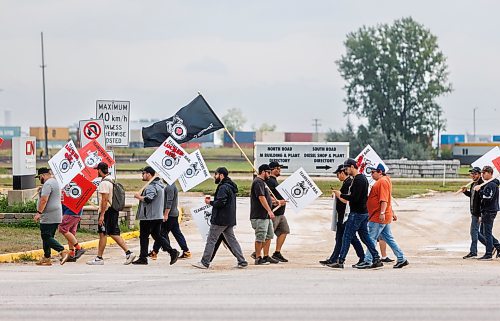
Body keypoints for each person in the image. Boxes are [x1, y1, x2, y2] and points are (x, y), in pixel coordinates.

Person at [328, 159, 382, 269]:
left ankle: (341, 261)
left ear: (352, 167)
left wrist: (341, 195)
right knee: (365, 237)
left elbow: (354, 198)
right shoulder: (361, 178)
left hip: (357, 213)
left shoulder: (358, 180)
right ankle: (376, 258)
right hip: (363, 213)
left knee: (346, 237)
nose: (346, 170)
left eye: (347, 168)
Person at [192, 167, 248, 269]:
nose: (215, 176)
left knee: (211, 240)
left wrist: (210, 202)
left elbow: (221, 202)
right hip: (229, 219)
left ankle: (204, 262)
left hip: (220, 220)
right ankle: (242, 261)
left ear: (221, 175)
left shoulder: (223, 187)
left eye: (216, 174)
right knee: (232, 241)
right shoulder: (231, 186)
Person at [354, 164, 408, 269]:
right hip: (383, 215)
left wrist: (382, 213)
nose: (371, 175)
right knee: (388, 238)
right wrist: (391, 212)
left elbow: (384, 200)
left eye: (373, 172)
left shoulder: (382, 182)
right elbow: (387, 198)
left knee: (371, 239)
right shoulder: (385, 180)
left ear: (380, 172)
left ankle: (368, 261)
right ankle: (401, 258)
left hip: (378, 217)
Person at [87, 162, 135, 265]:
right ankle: (128, 253)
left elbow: (104, 200)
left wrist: (102, 215)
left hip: (107, 211)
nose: (97, 172)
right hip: (113, 211)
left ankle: (99, 258)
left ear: (100, 170)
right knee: (112, 233)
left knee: (103, 233)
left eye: (97, 170)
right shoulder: (111, 180)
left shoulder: (104, 183)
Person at [132, 166, 179, 265]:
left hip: (149, 216)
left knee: (144, 236)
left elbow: (149, 199)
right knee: (157, 236)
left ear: (149, 174)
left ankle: (143, 258)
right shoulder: (160, 185)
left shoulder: (151, 186)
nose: (142, 175)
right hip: (157, 216)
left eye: (143, 173)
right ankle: (172, 252)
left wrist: (138, 197)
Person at [320, 164, 365, 266]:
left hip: (346, 216)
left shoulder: (349, 183)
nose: (337, 177)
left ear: (341, 172)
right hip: (342, 216)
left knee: (351, 238)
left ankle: (362, 257)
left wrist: (338, 194)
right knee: (340, 238)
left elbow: (346, 200)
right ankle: (334, 258)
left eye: (337, 174)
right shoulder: (346, 183)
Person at [34, 167, 69, 266]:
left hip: (49, 215)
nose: (39, 180)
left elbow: (44, 200)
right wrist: (42, 190)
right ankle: (47, 257)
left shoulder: (48, 183)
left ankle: (62, 251)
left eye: (39, 177)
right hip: (55, 214)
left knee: (45, 236)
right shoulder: (54, 182)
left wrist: (39, 213)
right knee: (48, 237)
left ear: (43, 176)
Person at [460, 167, 498, 259]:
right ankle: (494, 246)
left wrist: (480, 213)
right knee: (482, 232)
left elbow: (485, 198)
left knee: (479, 232)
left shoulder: (483, 184)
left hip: (481, 212)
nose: (473, 175)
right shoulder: (474, 184)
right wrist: (466, 192)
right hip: (476, 212)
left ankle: (484, 251)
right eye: (471, 174)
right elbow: (473, 196)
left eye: (475, 174)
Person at [150, 182, 190, 260]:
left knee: (161, 234)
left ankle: (154, 252)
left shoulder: (170, 187)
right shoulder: (171, 186)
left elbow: (169, 202)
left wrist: (165, 214)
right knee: (176, 233)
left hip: (170, 215)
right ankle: (186, 251)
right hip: (173, 214)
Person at [250, 164, 279, 265]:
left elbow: (266, 197)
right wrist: (269, 211)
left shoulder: (263, 183)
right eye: (268, 172)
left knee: (269, 235)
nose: (270, 175)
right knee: (260, 236)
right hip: (259, 215)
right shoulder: (258, 182)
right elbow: (261, 197)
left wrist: (274, 202)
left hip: (265, 216)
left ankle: (266, 256)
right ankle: (258, 257)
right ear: (263, 172)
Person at [265, 161, 289, 262]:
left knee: (284, 231)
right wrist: (277, 202)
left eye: (279, 168)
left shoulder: (274, 180)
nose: (279, 170)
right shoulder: (270, 181)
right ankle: (258, 253)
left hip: (281, 213)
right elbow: (267, 195)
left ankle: (277, 253)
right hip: (274, 213)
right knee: (268, 234)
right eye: (277, 168)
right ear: (271, 170)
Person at [476, 166, 500, 260]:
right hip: (487, 211)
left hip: (489, 211)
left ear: (490, 173)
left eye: (484, 173)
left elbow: (488, 197)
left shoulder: (491, 184)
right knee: (483, 231)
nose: (482, 174)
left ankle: (489, 253)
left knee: (487, 233)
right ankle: (497, 246)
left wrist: (480, 191)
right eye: (482, 173)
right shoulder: (488, 183)